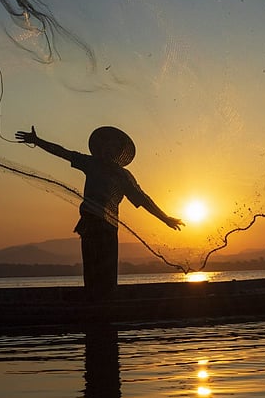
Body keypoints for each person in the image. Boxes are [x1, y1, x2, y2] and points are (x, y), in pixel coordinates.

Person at [15, 125, 182, 300]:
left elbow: (143, 199)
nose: (107, 149)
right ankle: (93, 301)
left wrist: (165, 218)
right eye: (105, 145)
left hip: (109, 227)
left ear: (117, 152)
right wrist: (37, 141)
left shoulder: (123, 176)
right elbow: (63, 152)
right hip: (89, 223)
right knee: (91, 267)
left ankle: (106, 303)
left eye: (112, 147)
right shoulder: (90, 163)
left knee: (107, 272)